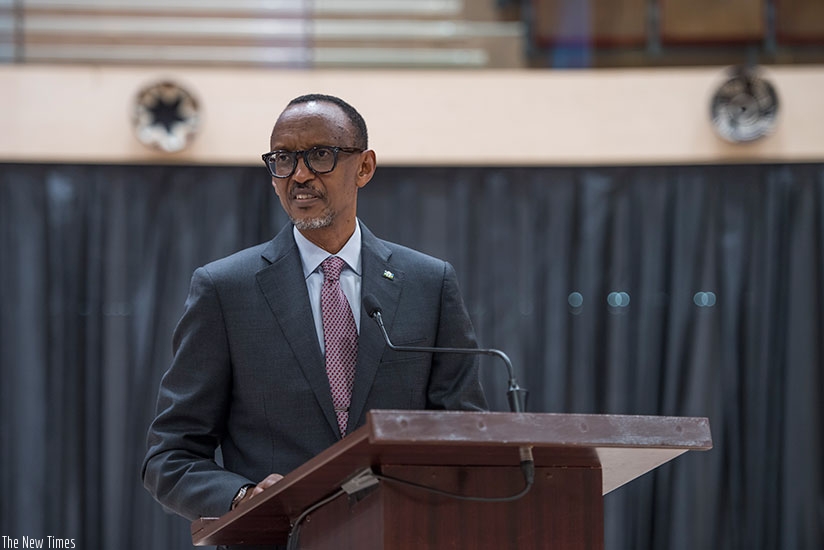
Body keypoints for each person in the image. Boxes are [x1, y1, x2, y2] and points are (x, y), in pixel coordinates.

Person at [141, 94, 488, 531]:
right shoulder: (226, 290)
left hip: (403, 534)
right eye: (283, 159)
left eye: (319, 155)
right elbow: (170, 456)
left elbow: (466, 436)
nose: (299, 175)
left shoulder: (428, 284)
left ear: (364, 167)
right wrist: (243, 496)